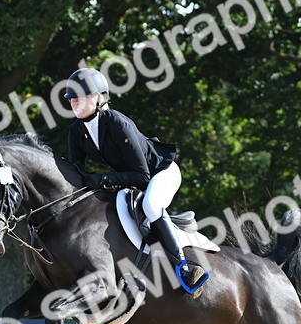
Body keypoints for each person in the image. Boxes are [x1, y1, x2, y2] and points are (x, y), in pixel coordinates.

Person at [62, 67, 208, 297]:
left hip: (161, 173)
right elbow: (76, 172)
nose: (72, 103)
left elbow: (143, 176)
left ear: (95, 98)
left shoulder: (118, 124)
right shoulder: (77, 131)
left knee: (150, 205)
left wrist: (102, 179)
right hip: (131, 179)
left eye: (76, 98)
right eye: (70, 99)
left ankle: (185, 268)